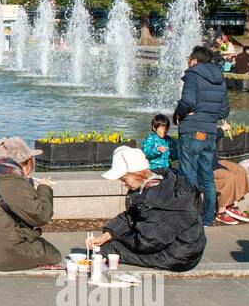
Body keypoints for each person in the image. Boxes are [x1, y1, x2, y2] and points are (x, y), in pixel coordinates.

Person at [87, 145, 207, 272]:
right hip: (188, 247)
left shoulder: (157, 196)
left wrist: (116, 239)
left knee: (111, 250)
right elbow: (132, 216)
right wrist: (107, 235)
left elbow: (147, 243)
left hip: (180, 256)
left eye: (124, 179)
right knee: (108, 246)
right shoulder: (158, 181)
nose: (123, 183)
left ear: (137, 174)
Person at [0, 136, 59, 271]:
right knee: (52, 253)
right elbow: (41, 216)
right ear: (27, 162)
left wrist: (26, 183)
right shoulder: (14, 182)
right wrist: (45, 188)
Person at [173, 45, 229, 227]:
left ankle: (190, 218)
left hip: (191, 131)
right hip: (210, 132)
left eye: (189, 58)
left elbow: (187, 101)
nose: (188, 62)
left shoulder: (193, 74)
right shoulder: (220, 78)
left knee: (188, 175)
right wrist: (208, 115)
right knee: (207, 177)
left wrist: (179, 114)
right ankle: (207, 219)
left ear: (195, 60)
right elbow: (224, 110)